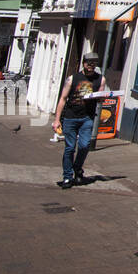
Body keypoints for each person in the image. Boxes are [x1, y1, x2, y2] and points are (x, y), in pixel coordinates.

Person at [52, 52, 104, 188]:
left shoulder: (100, 80)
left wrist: (100, 98)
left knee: (84, 145)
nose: (91, 66)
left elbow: (100, 98)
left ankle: (77, 167)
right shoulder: (72, 79)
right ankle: (67, 177)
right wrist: (57, 120)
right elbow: (63, 99)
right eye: (88, 63)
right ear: (84, 63)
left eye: (93, 63)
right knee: (70, 147)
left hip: (87, 117)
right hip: (70, 117)